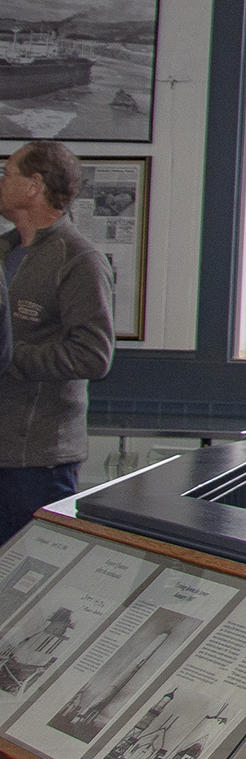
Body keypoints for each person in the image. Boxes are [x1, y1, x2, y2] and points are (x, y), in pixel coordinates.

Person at [0, 142, 113, 540]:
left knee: (25, 580)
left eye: (7, 173)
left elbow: (93, 356)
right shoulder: (4, 251)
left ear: (34, 185)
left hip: (35, 464)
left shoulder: (78, 259)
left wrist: (10, 356)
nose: (0, 181)